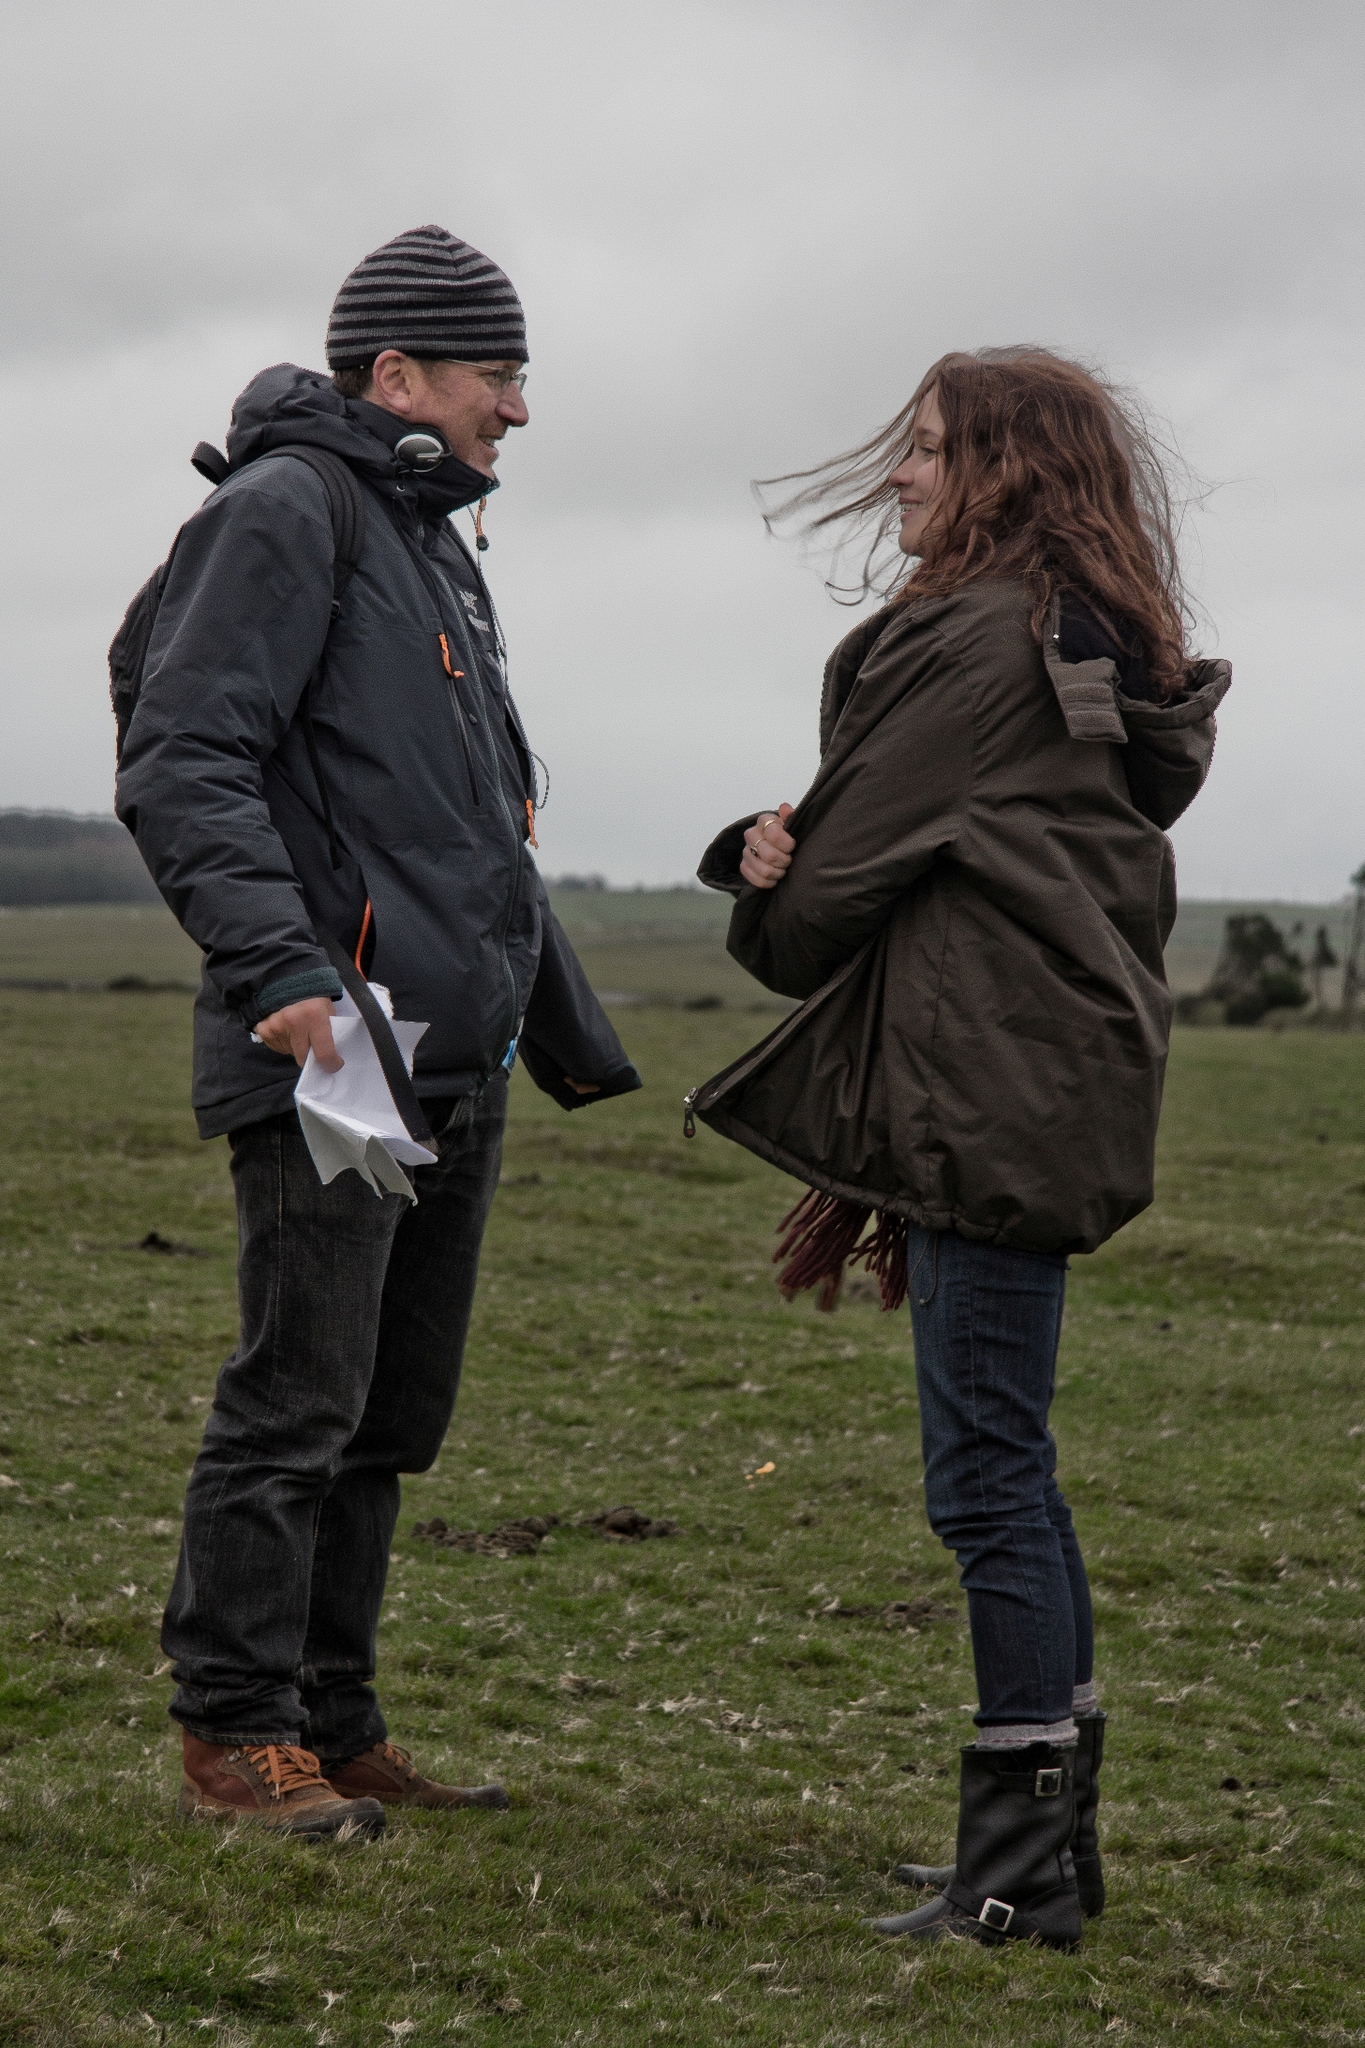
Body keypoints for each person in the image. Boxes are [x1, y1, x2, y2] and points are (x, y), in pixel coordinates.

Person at [692, 349, 1229, 1947]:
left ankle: (1017, 1874)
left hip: (980, 1090)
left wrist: (750, 868)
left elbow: (814, 921)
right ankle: (1043, 1852)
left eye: (927, 451)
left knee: (986, 1481)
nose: (901, 476)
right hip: (1043, 1077)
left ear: (1003, 468)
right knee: (1015, 1475)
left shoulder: (975, 644)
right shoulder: (1078, 641)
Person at [117, 224, 641, 1838]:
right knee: (298, 1396)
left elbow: (467, 826)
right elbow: (182, 753)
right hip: (327, 1048)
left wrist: (552, 1031)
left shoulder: (431, 544)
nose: (519, 412)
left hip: (442, 1056)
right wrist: (280, 971)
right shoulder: (288, 512)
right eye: (499, 377)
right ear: (396, 375)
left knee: (387, 1413)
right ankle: (234, 1734)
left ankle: (335, 1724)